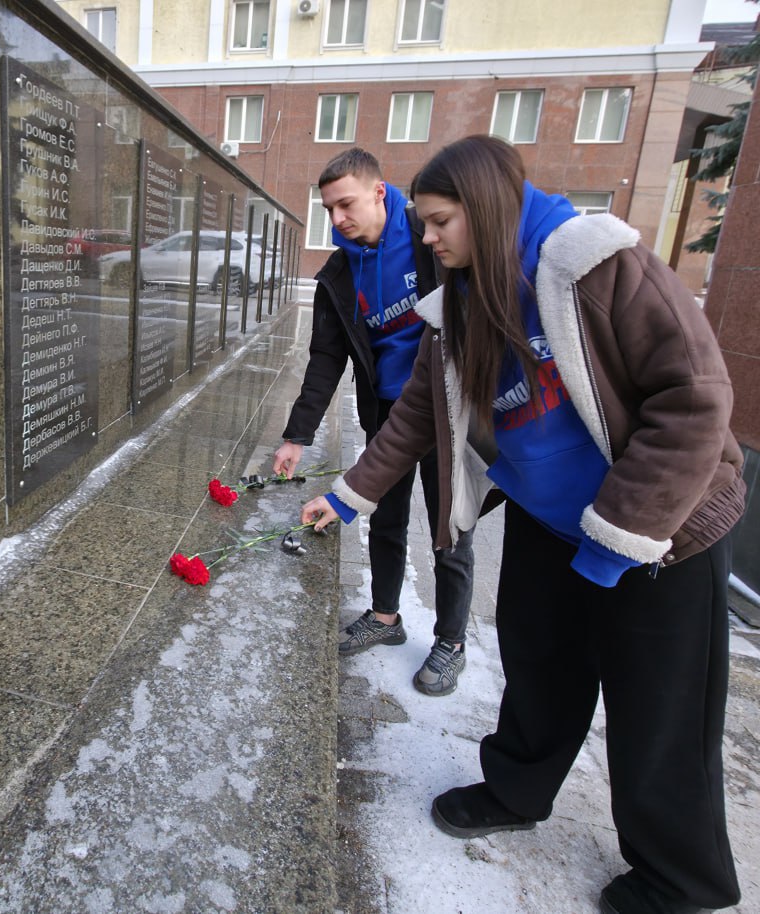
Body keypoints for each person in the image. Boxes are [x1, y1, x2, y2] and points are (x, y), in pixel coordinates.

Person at [302, 135, 745, 914]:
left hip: (660, 529)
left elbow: (695, 399)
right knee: (539, 666)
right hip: (552, 523)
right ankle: (517, 790)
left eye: (439, 222)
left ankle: (680, 876)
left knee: (660, 708)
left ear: (487, 208)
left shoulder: (598, 267)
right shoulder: (464, 298)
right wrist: (347, 496)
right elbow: (416, 419)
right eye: (425, 224)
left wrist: (620, 538)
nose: (428, 238)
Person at [274, 147, 475, 696]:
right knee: (384, 518)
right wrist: (297, 435)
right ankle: (385, 618)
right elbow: (324, 359)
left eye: (346, 204)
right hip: (389, 414)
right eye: (328, 210)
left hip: (448, 409)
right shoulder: (338, 275)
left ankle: (451, 641)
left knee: (449, 527)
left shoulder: (428, 240)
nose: (337, 219)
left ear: (379, 192)